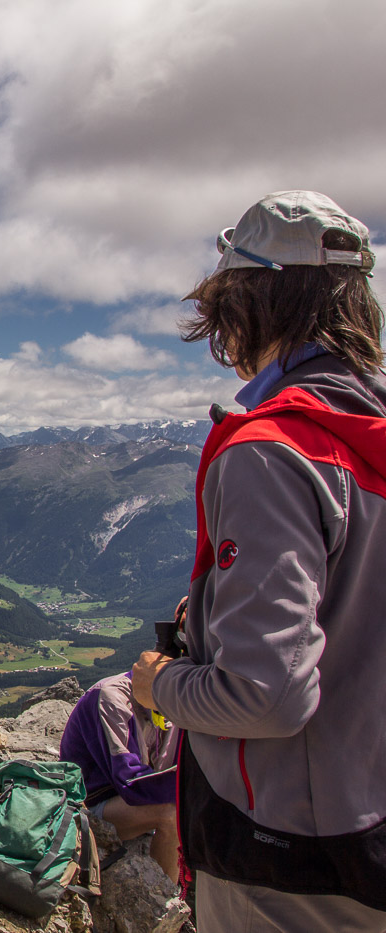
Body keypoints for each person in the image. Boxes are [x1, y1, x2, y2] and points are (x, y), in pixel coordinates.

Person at [131, 190, 386, 932]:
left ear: (248, 301)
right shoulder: (368, 435)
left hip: (283, 857)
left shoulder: (272, 451)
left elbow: (266, 695)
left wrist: (165, 682)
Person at [58, 671, 179, 879]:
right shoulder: (112, 699)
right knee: (172, 814)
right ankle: (167, 894)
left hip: (121, 799)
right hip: (87, 808)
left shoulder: (163, 700)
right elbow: (130, 781)